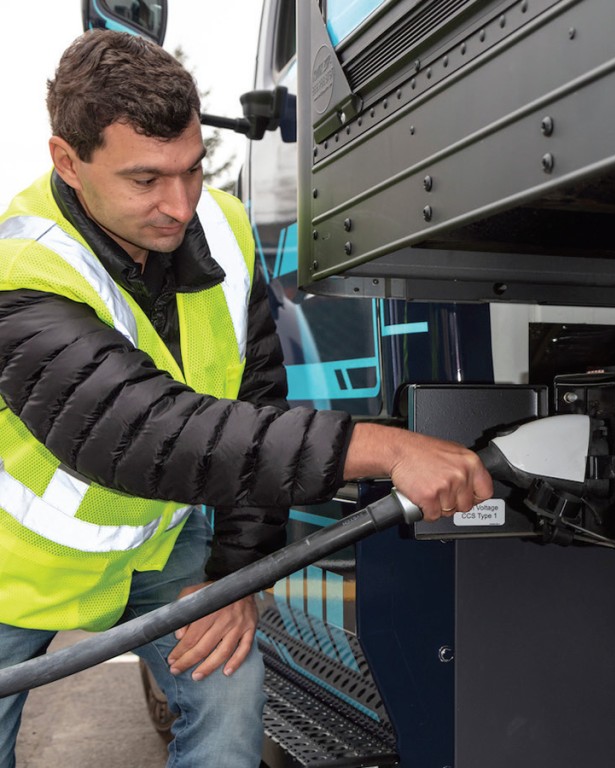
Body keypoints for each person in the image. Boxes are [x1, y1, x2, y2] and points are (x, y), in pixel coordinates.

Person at [0, 29, 492, 768]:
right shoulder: (23, 270)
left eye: (193, 169)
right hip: (15, 570)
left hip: (157, 546)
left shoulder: (223, 232)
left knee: (229, 696)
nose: (179, 204)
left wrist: (237, 575)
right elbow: (149, 433)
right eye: (145, 180)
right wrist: (386, 448)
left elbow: (254, 404)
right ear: (68, 162)